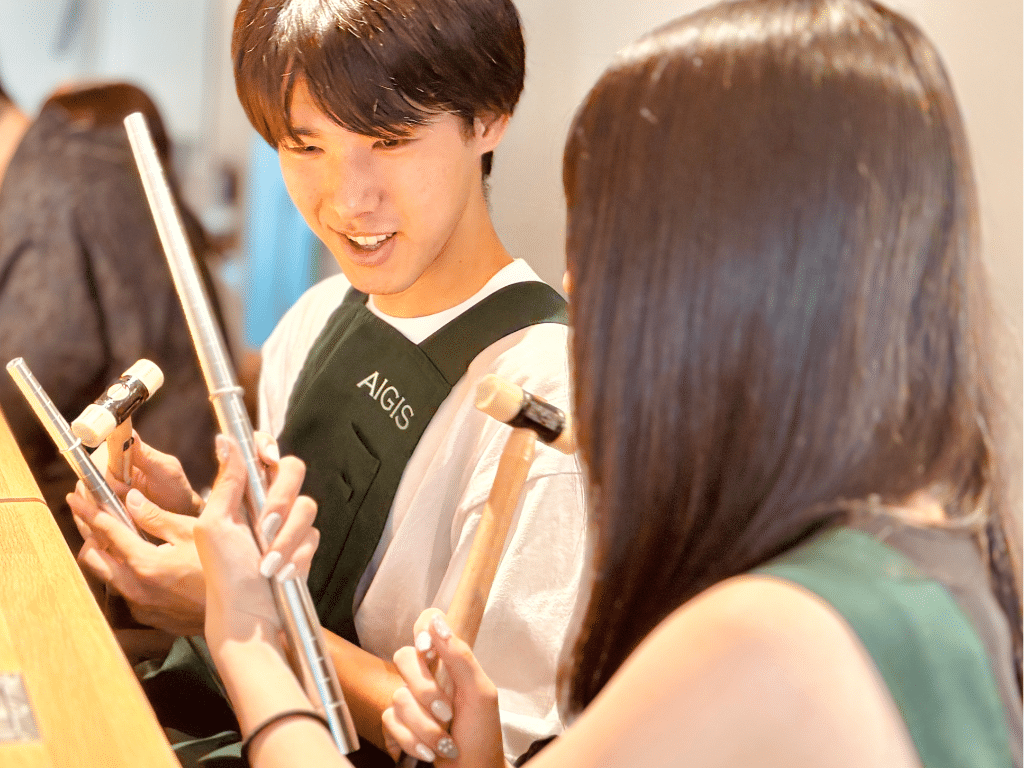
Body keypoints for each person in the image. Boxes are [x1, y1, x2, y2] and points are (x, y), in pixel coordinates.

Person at [189, 0, 1022, 766]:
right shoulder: (939, 548)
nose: (572, 284)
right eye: (305, 145)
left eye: (607, 239)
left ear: (751, 279)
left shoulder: (765, 635)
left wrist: (251, 639)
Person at [69, 0, 587, 765]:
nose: (348, 199)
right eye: (305, 145)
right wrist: (201, 528)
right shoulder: (317, 316)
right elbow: (288, 569)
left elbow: (482, 746)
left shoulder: (545, 400)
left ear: (488, 117)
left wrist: (241, 614)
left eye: (390, 139)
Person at [0, 79, 223, 554]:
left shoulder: (43, 185)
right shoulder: (83, 159)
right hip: (184, 487)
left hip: (136, 511)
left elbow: (30, 377)